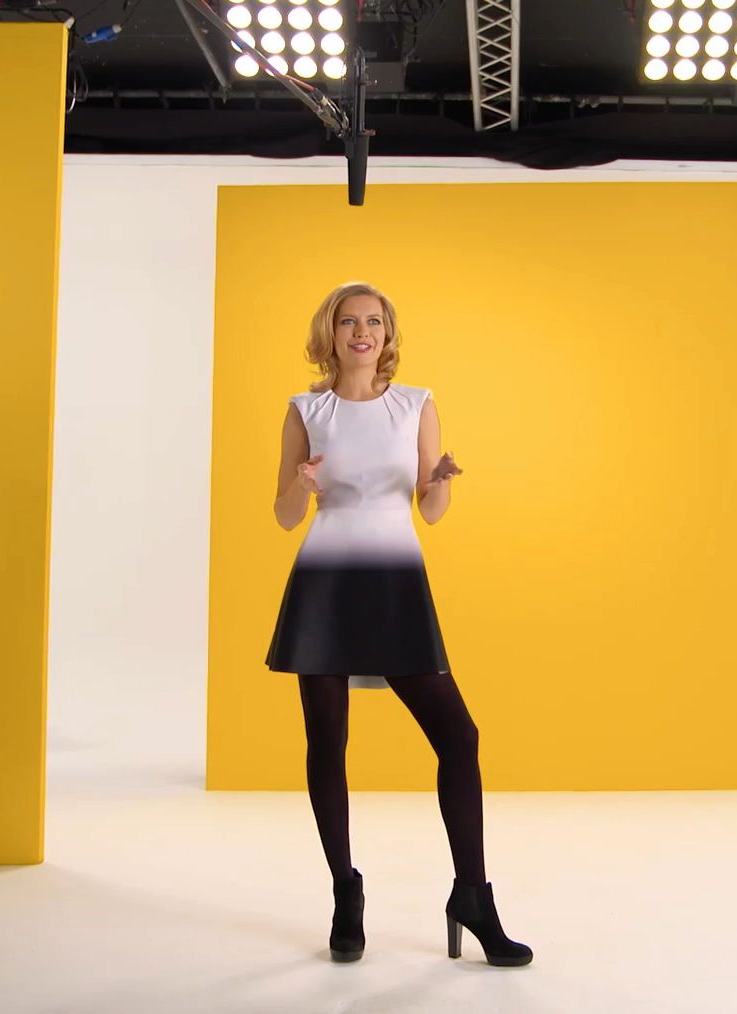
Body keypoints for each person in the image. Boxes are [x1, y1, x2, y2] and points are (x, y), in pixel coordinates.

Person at [264, 281, 533, 968]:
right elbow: (286, 516)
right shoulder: (306, 409)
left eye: (374, 322)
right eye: (349, 321)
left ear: (387, 334)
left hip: (395, 581)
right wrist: (301, 483)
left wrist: (440, 478)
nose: (362, 332)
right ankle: (345, 893)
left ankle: (473, 897)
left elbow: (430, 509)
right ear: (330, 333)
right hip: (326, 578)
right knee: (327, 741)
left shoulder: (416, 404)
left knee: (459, 736)